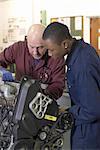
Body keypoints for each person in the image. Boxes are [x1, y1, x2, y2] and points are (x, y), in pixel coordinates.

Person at [42, 22, 100, 150]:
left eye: (51, 50)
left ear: (65, 44)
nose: (50, 54)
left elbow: (93, 110)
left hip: (89, 133)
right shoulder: (83, 51)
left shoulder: (82, 66)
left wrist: (68, 112)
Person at [0, 24, 65, 100]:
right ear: (27, 40)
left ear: (47, 43)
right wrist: (2, 72)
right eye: (31, 47)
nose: (35, 52)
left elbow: (58, 86)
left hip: (43, 101)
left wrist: (42, 94)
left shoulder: (56, 56)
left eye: (40, 47)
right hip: (18, 98)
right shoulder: (18, 48)